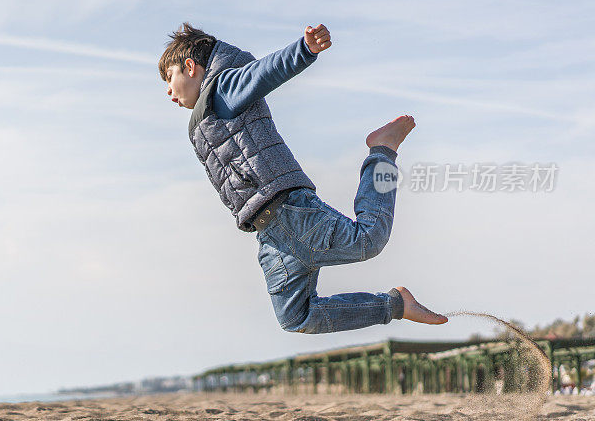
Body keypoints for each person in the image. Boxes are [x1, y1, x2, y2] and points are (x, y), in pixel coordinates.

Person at [158, 22, 447, 334]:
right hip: (270, 236)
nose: (168, 90)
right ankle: (395, 305)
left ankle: (383, 150)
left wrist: (303, 50)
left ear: (190, 67)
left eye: (169, 77)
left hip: (290, 213)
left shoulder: (223, 89)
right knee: (296, 318)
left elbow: (262, 73)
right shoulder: (206, 114)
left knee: (369, 239)